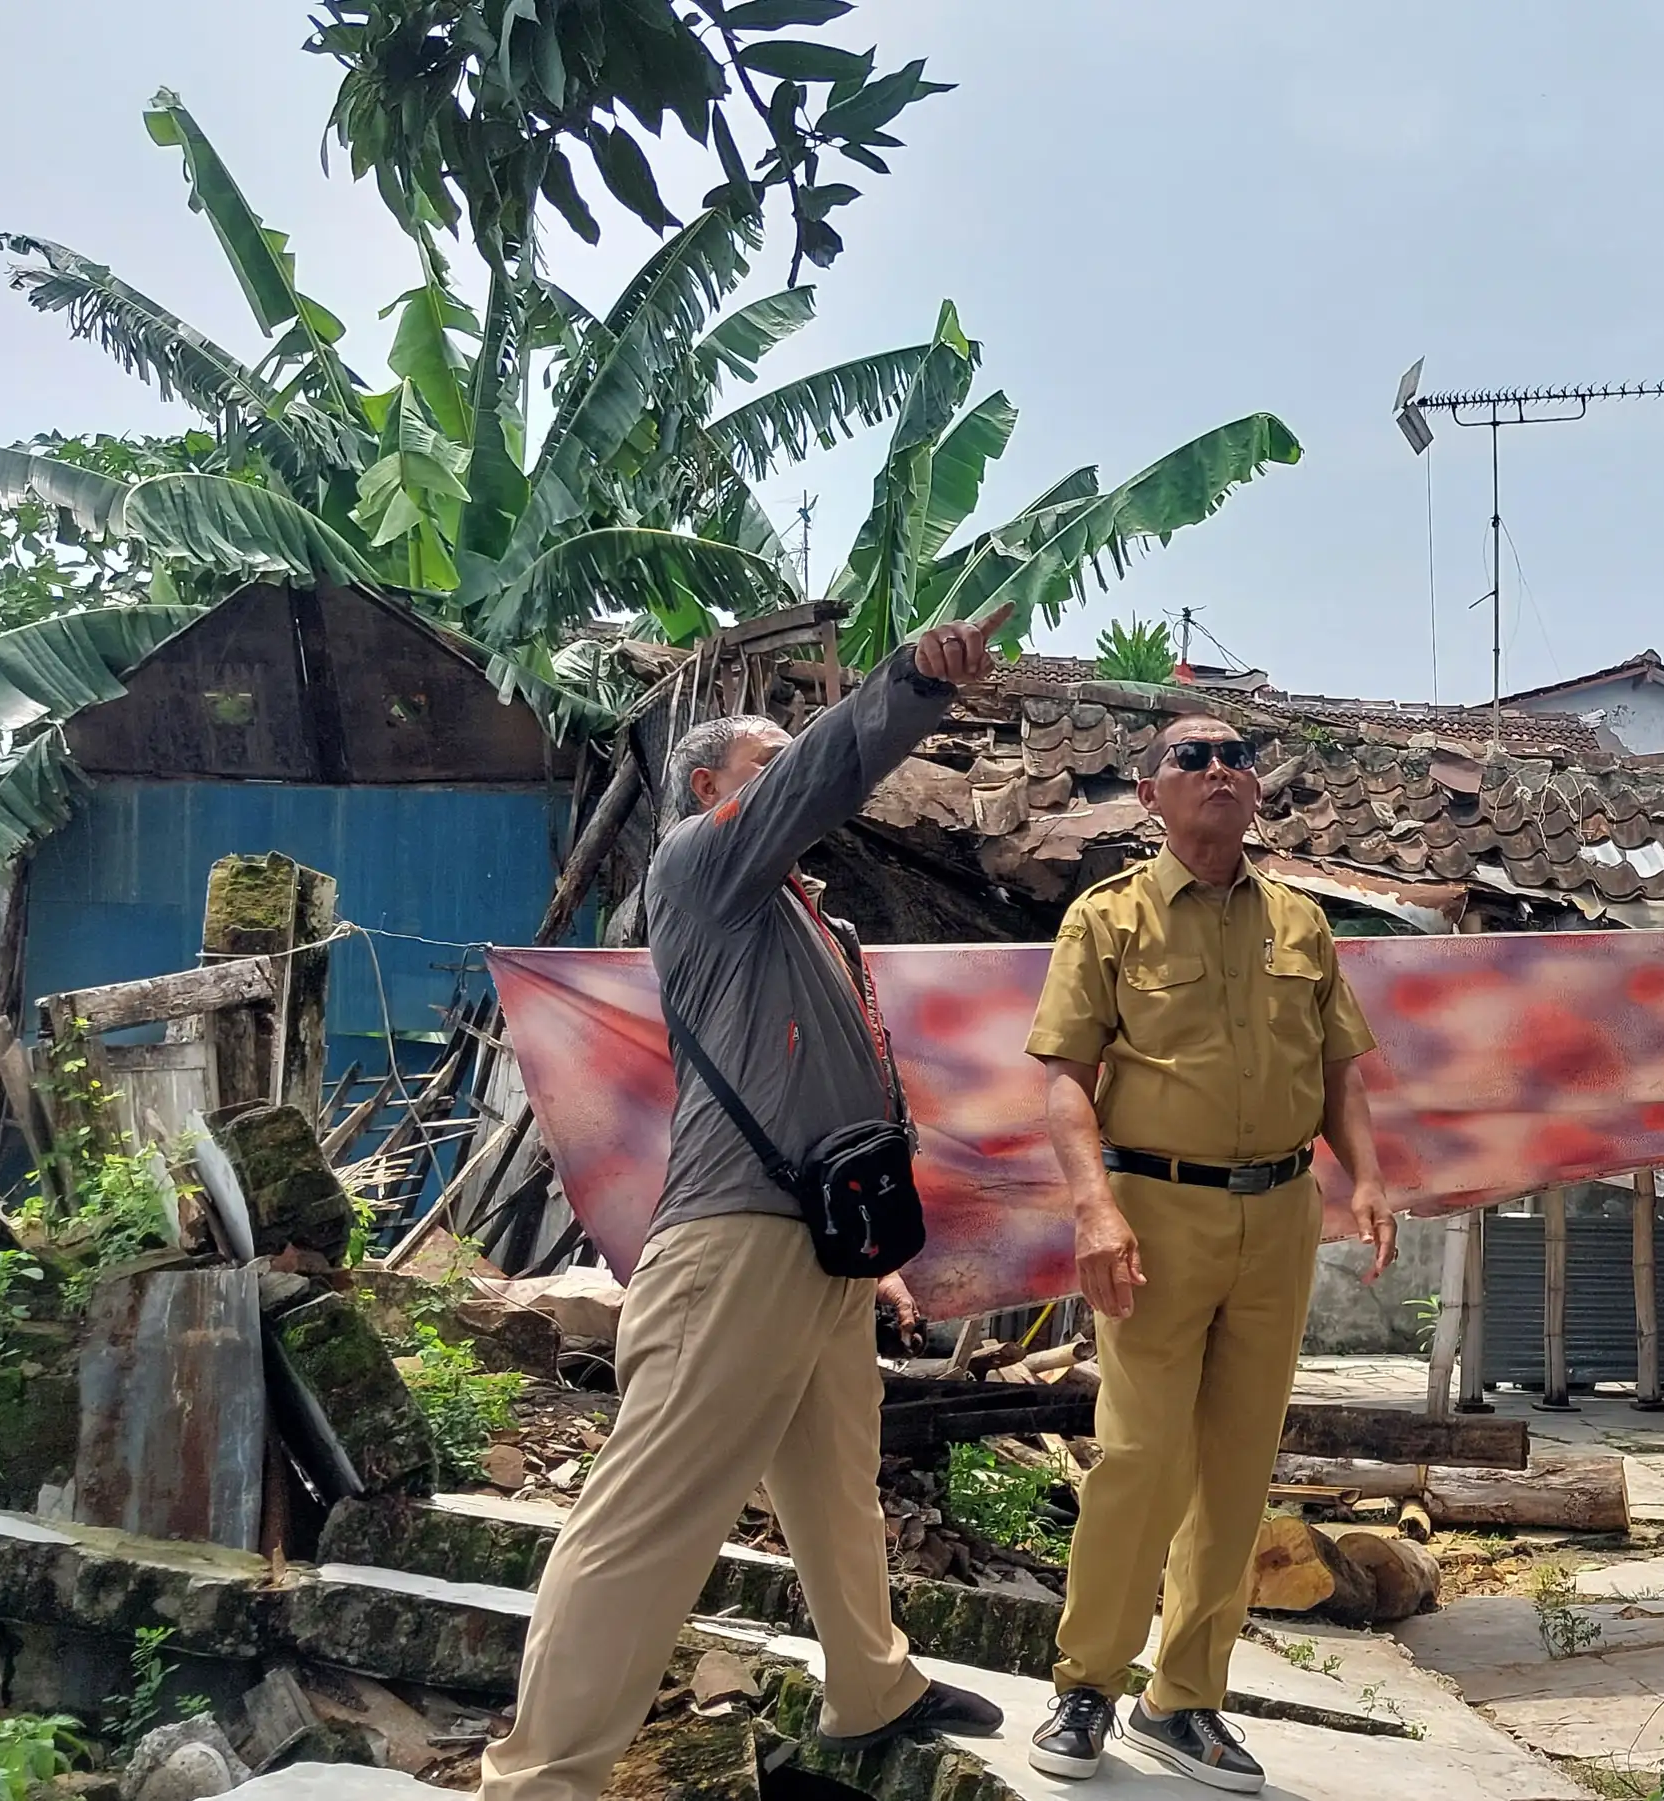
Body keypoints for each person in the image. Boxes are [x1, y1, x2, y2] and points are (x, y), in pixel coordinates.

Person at [479, 616, 1011, 1801]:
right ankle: (539, 1781)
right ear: (711, 789)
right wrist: (909, 681)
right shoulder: (698, 865)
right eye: (770, 766)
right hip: (734, 1242)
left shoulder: (805, 919)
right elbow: (829, 768)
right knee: (650, 1506)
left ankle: (868, 1686)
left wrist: (873, 1253)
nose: (793, 784)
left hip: (814, 1244)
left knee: (834, 1473)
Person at [1021, 713, 1398, 1792]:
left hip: (1277, 1214)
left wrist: (1364, 1175)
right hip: (1152, 1211)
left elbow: (1339, 1072)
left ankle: (1182, 1701)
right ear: (1150, 793)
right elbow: (1063, 1078)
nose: (1219, 769)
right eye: (1190, 757)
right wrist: (1092, 1210)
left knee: (1237, 1471)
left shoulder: (1300, 922)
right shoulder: (1108, 919)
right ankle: (1085, 1683)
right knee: (1139, 1457)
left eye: (1235, 755)